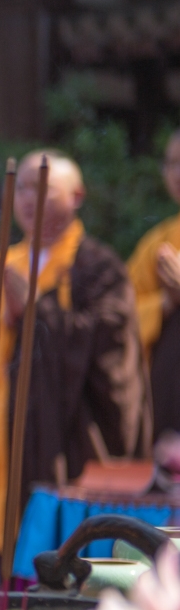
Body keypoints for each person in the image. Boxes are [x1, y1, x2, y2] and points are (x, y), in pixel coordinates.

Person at [0, 151, 149, 573]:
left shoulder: (99, 267)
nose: (30, 198)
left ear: (77, 196)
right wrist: (8, 320)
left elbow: (113, 349)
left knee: (74, 562)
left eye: (44, 188)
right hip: (10, 439)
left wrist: (38, 314)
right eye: (22, 188)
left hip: (73, 442)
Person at [128, 131, 180, 441]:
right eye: (172, 163)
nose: (178, 173)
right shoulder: (156, 244)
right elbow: (122, 315)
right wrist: (164, 303)